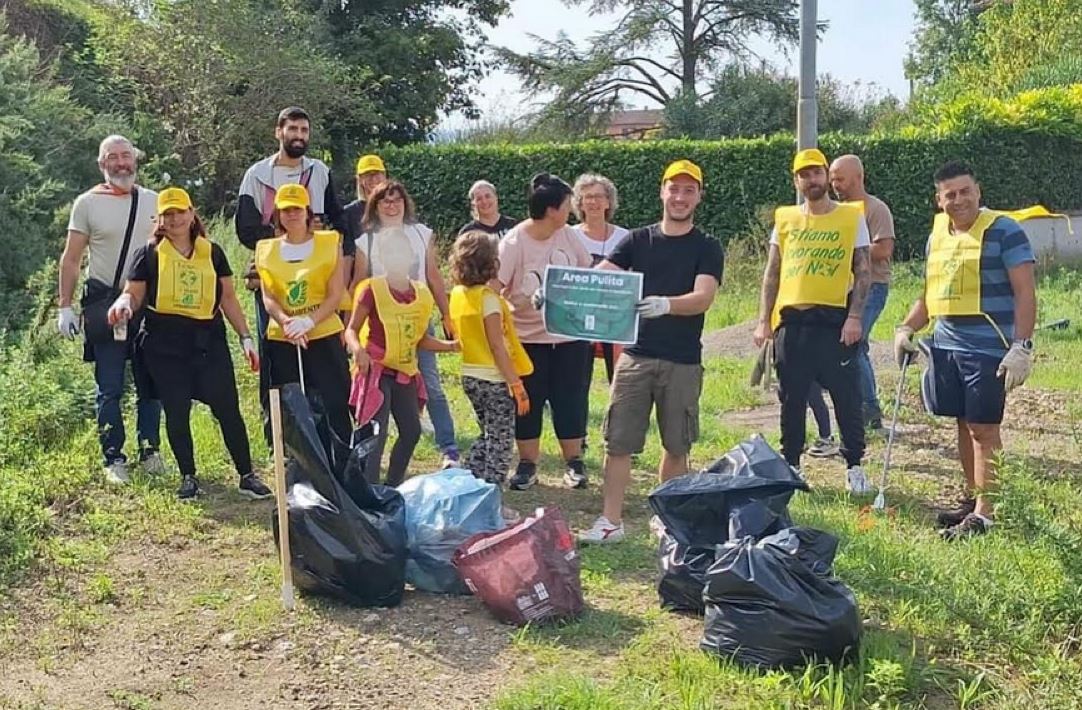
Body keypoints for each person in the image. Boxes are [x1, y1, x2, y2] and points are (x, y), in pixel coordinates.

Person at [578, 160, 724, 543]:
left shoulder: (707, 247)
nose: (679, 197)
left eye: (688, 190)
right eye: (673, 189)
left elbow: (703, 296)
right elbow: (602, 278)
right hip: (635, 356)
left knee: (677, 444)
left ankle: (668, 518)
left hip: (682, 360)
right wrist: (558, 293)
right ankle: (611, 522)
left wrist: (666, 305)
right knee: (618, 442)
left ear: (698, 197)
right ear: (662, 191)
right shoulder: (637, 241)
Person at [895, 160, 1036, 540]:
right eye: (950, 194)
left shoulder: (1005, 231)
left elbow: (1025, 292)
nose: (958, 200)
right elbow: (930, 291)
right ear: (938, 200)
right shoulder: (937, 235)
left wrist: (1022, 346)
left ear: (978, 191)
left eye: (964, 191)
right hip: (945, 343)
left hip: (990, 347)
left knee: (983, 428)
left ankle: (986, 515)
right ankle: (973, 499)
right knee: (961, 421)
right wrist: (908, 326)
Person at [106, 188, 272, 500]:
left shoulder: (213, 252)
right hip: (164, 345)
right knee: (177, 410)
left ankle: (247, 474)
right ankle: (188, 476)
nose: (175, 219)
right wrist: (124, 303)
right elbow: (133, 292)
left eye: (180, 212)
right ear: (160, 219)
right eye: (168, 214)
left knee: (228, 410)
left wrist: (246, 337)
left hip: (208, 341)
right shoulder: (149, 254)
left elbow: (228, 298)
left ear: (191, 213)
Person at [752, 148, 873, 494]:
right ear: (797, 180)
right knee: (791, 397)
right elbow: (772, 273)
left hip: (835, 321)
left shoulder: (851, 217)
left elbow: (863, 271)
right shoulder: (786, 218)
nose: (812, 179)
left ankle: (854, 466)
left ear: (826, 176)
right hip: (793, 322)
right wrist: (763, 320)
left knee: (847, 397)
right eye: (804, 174)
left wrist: (854, 317)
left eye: (817, 172)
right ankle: (790, 462)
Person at [236, 106, 352, 438]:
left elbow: (338, 221)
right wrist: (282, 238)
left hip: (317, 280)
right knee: (279, 363)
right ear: (279, 132)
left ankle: (335, 437)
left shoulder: (319, 171)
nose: (299, 136)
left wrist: (316, 241)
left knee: (328, 368)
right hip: (276, 277)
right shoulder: (256, 174)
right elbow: (245, 227)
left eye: (304, 130)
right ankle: (281, 438)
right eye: (293, 130)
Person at [57, 134, 163, 484]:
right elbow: (71, 259)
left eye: (126, 156)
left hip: (148, 305)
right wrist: (65, 307)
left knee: (151, 383)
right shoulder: (86, 203)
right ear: (102, 164)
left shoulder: (154, 201)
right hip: (106, 304)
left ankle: (151, 450)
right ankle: (113, 456)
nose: (121, 163)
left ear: (136, 160)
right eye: (113, 158)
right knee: (110, 385)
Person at [351, 181, 461, 468]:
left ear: (405, 203)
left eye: (396, 200)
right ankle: (370, 472)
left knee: (432, 385)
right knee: (378, 406)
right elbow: (358, 283)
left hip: (417, 318)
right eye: (385, 201)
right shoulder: (366, 241)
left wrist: (447, 315)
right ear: (375, 206)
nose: (391, 205)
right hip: (380, 329)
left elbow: (434, 276)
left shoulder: (421, 234)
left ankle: (448, 447)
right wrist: (353, 333)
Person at [495, 174, 593, 490]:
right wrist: (517, 305)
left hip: (569, 336)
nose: (571, 211)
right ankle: (527, 465)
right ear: (552, 210)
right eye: (567, 205)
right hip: (527, 339)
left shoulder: (568, 235)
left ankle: (574, 463)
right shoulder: (513, 242)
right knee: (528, 401)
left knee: (571, 399)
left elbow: (585, 271)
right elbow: (494, 290)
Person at [255, 184, 352, 449]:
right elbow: (268, 297)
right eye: (285, 210)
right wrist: (287, 322)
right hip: (284, 337)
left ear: (307, 211)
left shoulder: (329, 242)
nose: (291, 214)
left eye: (296, 208)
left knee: (334, 398)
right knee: (292, 403)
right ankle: (298, 459)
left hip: (323, 332)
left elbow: (334, 294)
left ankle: (341, 455)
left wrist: (309, 321)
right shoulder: (265, 249)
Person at [448, 231, 532, 486]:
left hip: (470, 375)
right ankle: (490, 495)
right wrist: (516, 385)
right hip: (493, 379)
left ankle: (466, 480)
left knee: (486, 434)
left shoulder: (459, 294)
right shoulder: (488, 300)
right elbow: (497, 345)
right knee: (501, 441)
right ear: (490, 263)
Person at [830, 154, 896, 430]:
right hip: (844, 288)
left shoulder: (875, 209)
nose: (835, 185)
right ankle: (856, 409)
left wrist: (848, 245)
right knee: (850, 348)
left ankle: (869, 412)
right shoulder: (834, 211)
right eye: (832, 179)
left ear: (859, 177)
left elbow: (884, 250)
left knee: (854, 346)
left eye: (840, 179)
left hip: (873, 287)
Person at [570, 173, 631, 385]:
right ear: (580, 203)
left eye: (598, 196)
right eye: (587, 197)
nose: (593, 202)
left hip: (615, 318)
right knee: (577, 381)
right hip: (579, 319)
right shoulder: (568, 236)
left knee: (621, 379)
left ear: (608, 201)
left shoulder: (626, 237)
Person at [342, 154, 388, 241]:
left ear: (384, 176)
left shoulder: (394, 207)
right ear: (359, 179)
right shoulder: (349, 213)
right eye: (368, 174)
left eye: (377, 173)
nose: (373, 179)